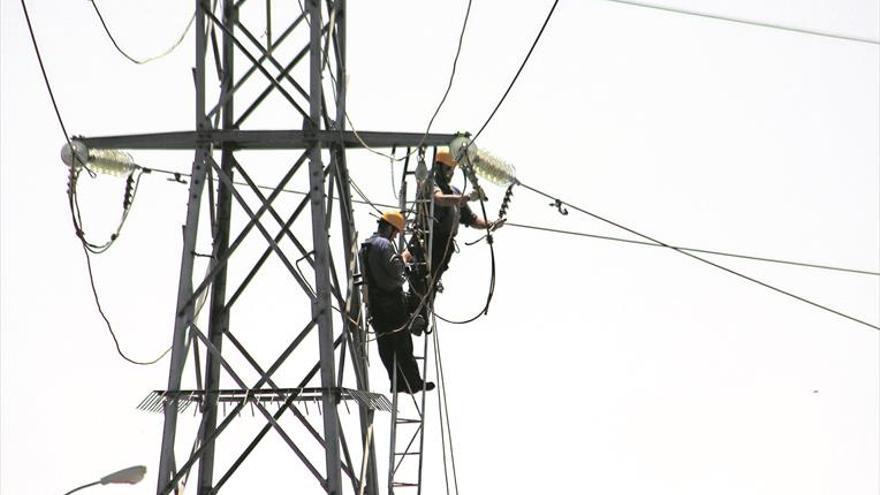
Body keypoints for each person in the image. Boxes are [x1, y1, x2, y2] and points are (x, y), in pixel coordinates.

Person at [408, 151, 504, 321]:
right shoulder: (429, 182)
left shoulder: (455, 192)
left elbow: (472, 219)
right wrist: (466, 197)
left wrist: (491, 224)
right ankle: (413, 313)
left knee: (432, 281)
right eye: (448, 169)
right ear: (438, 167)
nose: (451, 173)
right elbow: (439, 200)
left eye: (452, 170)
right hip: (428, 239)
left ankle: (421, 316)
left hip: (444, 246)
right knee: (422, 279)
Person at [360, 211, 434, 393]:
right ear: (391, 229)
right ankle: (414, 383)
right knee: (403, 344)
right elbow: (395, 270)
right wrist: (405, 258)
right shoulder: (384, 245)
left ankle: (397, 383)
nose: (395, 237)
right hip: (391, 302)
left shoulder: (366, 245)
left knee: (385, 345)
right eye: (396, 233)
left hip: (375, 304)